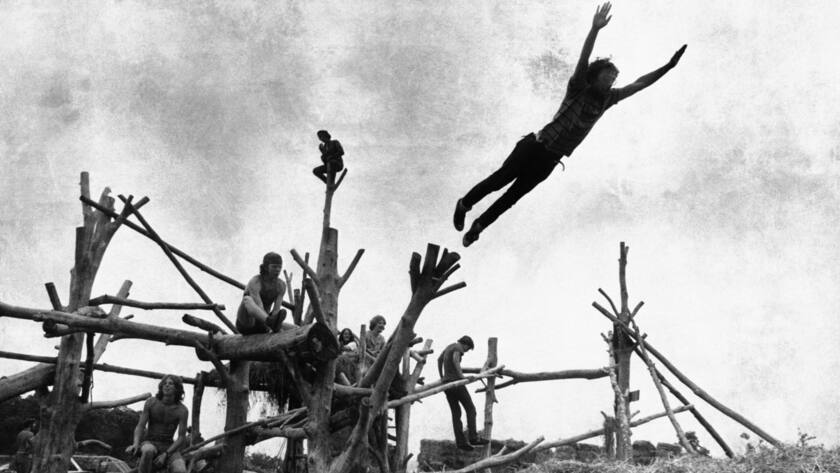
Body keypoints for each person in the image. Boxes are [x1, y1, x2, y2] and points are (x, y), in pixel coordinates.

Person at [453, 2, 687, 246]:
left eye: (613, 78)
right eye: (607, 76)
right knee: (501, 180)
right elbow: (584, 59)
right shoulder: (578, 87)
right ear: (595, 76)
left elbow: (639, 84)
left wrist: (668, 67)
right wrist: (594, 29)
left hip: (550, 160)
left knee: (513, 196)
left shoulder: (608, 99)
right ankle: (465, 204)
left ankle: (478, 227)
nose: (610, 81)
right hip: (535, 145)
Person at [125, 375, 189, 473]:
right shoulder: (151, 402)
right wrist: (136, 443)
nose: (166, 385)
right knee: (148, 450)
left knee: (180, 470)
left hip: (168, 446)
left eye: (170, 384)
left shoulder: (182, 410)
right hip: (150, 442)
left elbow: (181, 437)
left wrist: (166, 454)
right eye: (164, 383)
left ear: (177, 389)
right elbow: (140, 426)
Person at [437, 336, 487, 450]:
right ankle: (473, 438)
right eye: (467, 349)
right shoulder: (458, 348)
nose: (466, 351)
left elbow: (439, 360)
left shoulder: (449, 346)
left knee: (456, 413)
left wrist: (442, 377)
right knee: (470, 409)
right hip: (456, 383)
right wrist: (462, 377)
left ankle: (460, 442)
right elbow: (455, 360)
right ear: (465, 344)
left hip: (447, 384)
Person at [236, 252, 287, 334]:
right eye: (274, 267)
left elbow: (276, 310)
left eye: (279, 267)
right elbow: (259, 306)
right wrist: (269, 323)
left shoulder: (281, 285)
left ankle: (272, 324)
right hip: (247, 324)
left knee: (292, 328)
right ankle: (270, 323)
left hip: (263, 325)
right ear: (266, 267)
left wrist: (275, 321)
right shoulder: (255, 282)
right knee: (247, 299)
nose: (277, 270)